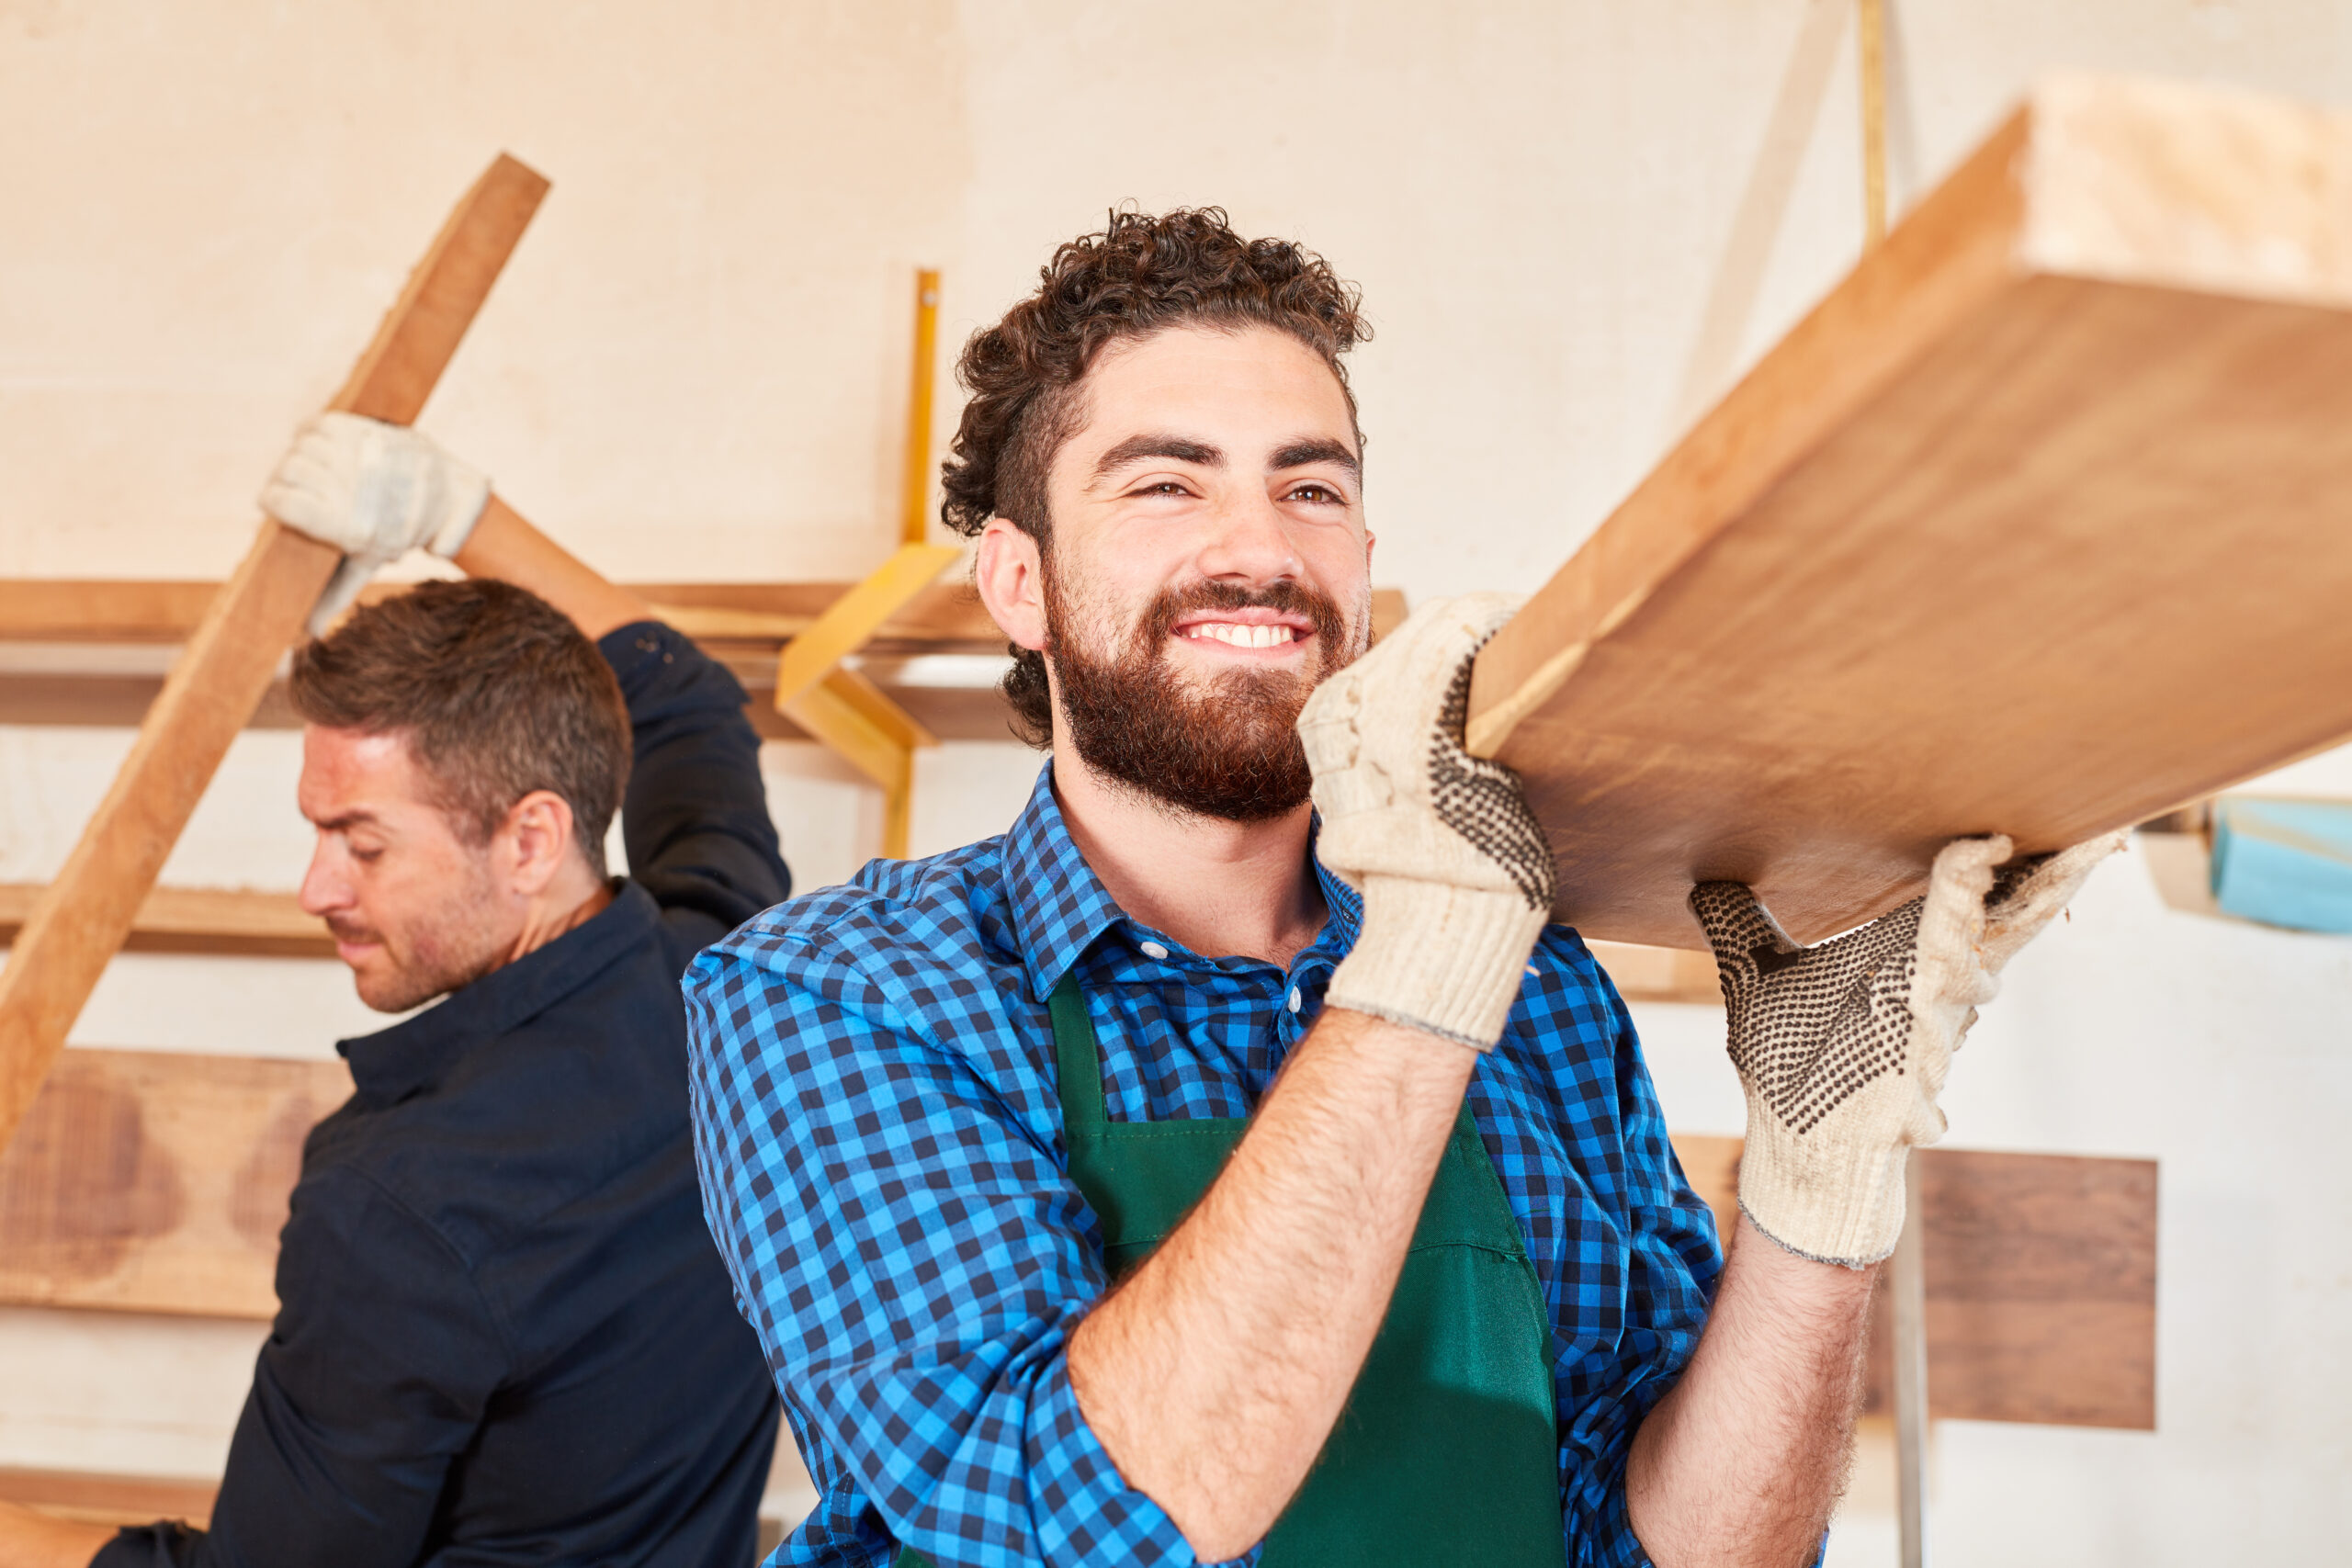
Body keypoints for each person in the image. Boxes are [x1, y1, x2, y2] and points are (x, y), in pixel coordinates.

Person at [680, 209, 2119, 1568]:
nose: (1259, 547)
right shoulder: (845, 992)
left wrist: (1815, 1202)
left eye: (1312, 487)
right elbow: (1078, 1524)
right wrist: (1425, 972)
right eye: (1166, 482)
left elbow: (1675, 1544)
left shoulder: (1540, 986)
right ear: (1017, 578)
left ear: (1367, 559)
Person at [0, 423, 789, 1567]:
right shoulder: (728, 987)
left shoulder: (403, 1205)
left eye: (361, 843)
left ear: (530, 838)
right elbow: (681, 696)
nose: (315, 886)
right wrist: (451, 510)